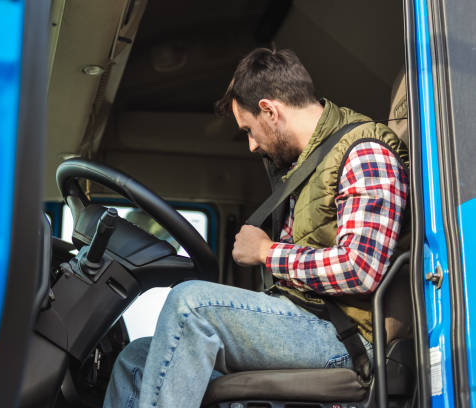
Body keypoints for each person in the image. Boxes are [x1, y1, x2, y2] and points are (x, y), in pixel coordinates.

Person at [102, 48, 409, 408]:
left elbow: (361, 269)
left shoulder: (364, 153)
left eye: (248, 129)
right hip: (310, 320)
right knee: (138, 357)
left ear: (270, 110)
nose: (250, 144)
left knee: (192, 305)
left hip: (346, 337)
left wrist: (267, 252)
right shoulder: (306, 164)